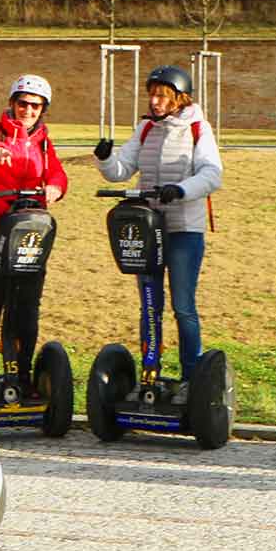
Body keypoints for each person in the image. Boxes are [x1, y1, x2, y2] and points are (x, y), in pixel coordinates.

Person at [94, 64, 224, 395]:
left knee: (183, 305)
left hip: (184, 229)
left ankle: (191, 378)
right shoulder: (145, 129)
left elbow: (212, 174)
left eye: (162, 96)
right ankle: (150, 371)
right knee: (150, 303)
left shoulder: (197, 128)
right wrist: (106, 159)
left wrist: (180, 190)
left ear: (179, 98)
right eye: (152, 95)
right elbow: (122, 170)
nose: (155, 102)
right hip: (148, 227)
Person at [0, 74, 69, 401]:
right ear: (12, 103)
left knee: (26, 309)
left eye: (35, 106)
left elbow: (56, 172)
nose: (28, 110)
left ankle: (23, 377)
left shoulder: (44, 142)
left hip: (28, 235)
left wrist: (55, 187)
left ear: (43, 109)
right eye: (22, 103)